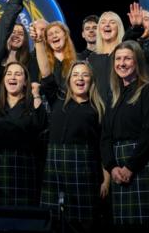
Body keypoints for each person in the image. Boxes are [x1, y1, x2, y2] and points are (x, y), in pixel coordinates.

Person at [100, 40, 149, 231]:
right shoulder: (113, 96)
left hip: (142, 165)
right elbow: (105, 136)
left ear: (137, 62)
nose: (122, 63)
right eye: (118, 58)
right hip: (118, 168)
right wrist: (112, 166)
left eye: (127, 58)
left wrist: (130, 167)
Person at [39, 60, 109, 232]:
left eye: (85, 75)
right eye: (76, 75)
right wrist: (39, 41)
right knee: (53, 221)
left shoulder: (97, 109)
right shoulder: (58, 100)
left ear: (92, 81)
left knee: (83, 224)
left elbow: (103, 146)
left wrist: (106, 179)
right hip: (55, 170)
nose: (80, 78)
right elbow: (47, 75)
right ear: (69, 80)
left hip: (85, 172)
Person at [0, 61, 46, 206]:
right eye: (9, 74)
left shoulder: (32, 103)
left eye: (18, 74)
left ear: (25, 82)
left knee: (22, 218)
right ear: (3, 80)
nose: (12, 77)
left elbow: (40, 123)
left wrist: (36, 94)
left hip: (23, 167)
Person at [31, 21, 77, 90]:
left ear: (65, 35)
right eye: (50, 34)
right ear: (47, 40)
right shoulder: (41, 62)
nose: (54, 36)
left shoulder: (78, 59)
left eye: (57, 32)